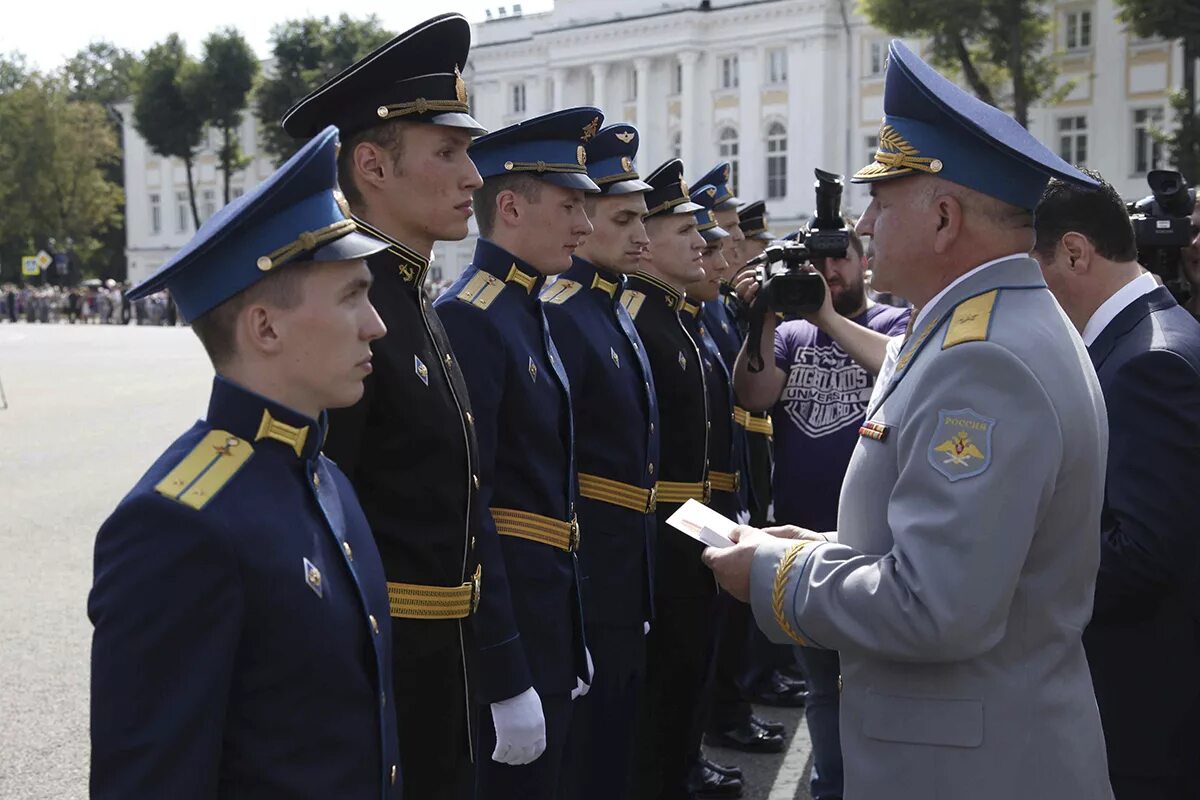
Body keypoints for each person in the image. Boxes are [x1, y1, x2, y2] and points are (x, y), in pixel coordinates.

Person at [703, 39, 1114, 799]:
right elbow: (957, 550)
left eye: (882, 202)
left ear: (945, 217)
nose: (861, 223)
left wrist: (775, 572)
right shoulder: (982, 331)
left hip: (968, 766)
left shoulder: (983, 359)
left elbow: (937, 608)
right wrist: (826, 544)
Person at [88, 127, 400, 799]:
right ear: (265, 328)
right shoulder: (179, 526)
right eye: (351, 296)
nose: (376, 324)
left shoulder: (325, 477)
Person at [280, 16, 488, 799]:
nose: (474, 176)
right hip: (387, 674)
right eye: (449, 152)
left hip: (443, 663)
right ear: (371, 163)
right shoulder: (347, 311)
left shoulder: (408, 295)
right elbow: (317, 536)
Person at [434, 107, 600, 800]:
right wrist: (505, 673)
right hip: (513, 628)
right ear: (509, 206)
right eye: (569, 207)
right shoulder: (471, 316)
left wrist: (572, 629)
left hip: (547, 615)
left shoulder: (528, 306)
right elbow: (472, 510)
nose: (585, 226)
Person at [1032, 171, 1200, 799]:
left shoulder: (1149, 360)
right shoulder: (1145, 338)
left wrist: (1006, 577)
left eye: (1034, 268)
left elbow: (1141, 553)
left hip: (1147, 706)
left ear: (1075, 252)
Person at [732, 211, 909, 800]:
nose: (831, 270)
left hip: (875, 544)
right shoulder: (787, 333)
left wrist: (827, 316)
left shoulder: (894, 320)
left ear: (864, 263)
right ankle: (832, 788)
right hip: (802, 541)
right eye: (820, 261)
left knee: (881, 685)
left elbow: (900, 368)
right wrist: (763, 316)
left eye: (843, 258)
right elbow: (755, 395)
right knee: (824, 690)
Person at [543, 123, 659, 800]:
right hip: (592, 575)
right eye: (625, 219)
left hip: (625, 569)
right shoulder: (564, 311)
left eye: (643, 219)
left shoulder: (612, 306)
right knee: (588, 759)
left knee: (619, 739)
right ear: (584, 223)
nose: (641, 235)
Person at [623, 160, 740, 800]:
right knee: (667, 679)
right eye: (684, 232)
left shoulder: (674, 321)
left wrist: (728, 527)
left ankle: (681, 770)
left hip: (690, 533)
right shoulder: (642, 322)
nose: (702, 243)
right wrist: (718, 530)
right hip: (664, 542)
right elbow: (659, 478)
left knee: (688, 668)